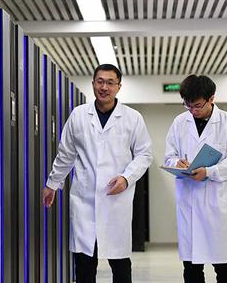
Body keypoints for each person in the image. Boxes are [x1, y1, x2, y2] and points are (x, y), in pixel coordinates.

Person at [42, 63, 153, 283]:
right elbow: (66, 154)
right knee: (84, 266)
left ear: (119, 87)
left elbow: (145, 155)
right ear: (93, 83)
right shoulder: (79, 115)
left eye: (110, 82)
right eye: (100, 81)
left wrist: (126, 178)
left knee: (121, 266)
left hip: (115, 200)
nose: (104, 87)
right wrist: (52, 184)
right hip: (85, 201)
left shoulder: (132, 118)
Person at [164, 75, 227, 283]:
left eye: (197, 105)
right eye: (187, 105)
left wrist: (209, 172)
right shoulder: (180, 122)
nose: (192, 110)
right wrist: (176, 163)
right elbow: (169, 156)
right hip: (189, 203)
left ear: (211, 99)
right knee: (191, 269)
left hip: (218, 204)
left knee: (225, 269)